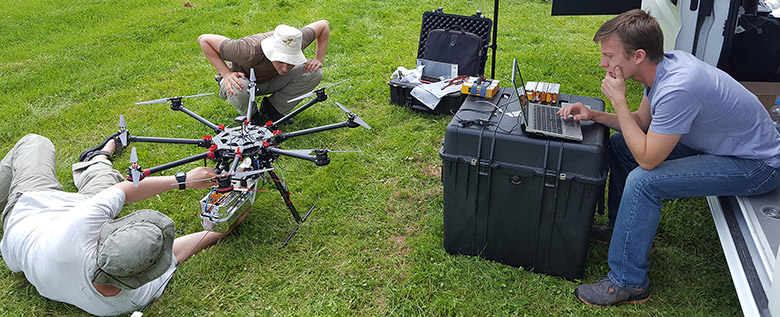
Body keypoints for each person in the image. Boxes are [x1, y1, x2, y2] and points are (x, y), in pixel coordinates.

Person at [557, 9, 780, 307]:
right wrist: (594, 114)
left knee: (644, 181)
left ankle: (629, 283)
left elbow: (648, 161)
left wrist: (618, 100)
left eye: (609, 56)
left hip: (757, 165)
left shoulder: (679, 86)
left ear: (637, 56)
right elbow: (641, 123)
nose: (602, 63)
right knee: (624, 145)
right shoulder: (661, 67)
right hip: (720, 146)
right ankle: (620, 231)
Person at [0, 133, 249, 316]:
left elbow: (124, 191)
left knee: (36, 142)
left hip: (28, 211)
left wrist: (184, 180)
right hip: (56, 216)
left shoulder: (79, 228)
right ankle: (98, 158)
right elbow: (177, 252)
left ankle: (98, 158)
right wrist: (222, 228)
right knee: (98, 178)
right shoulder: (128, 299)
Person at [198, 20, 330, 124]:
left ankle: (272, 109)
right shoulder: (247, 50)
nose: (285, 68)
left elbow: (323, 25)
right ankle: (252, 116)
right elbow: (204, 40)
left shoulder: (296, 39)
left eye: (290, 62)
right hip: (245, 82)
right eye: (281, 61)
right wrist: (226, 74)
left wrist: (319, 59)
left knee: (314, 73)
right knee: (237, 86)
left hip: (271, 79)